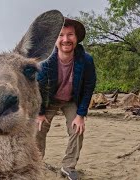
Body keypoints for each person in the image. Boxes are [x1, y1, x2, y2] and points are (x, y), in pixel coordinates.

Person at [35, 18, 96, 180]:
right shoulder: (45, 62)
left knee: (77, 128)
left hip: (71, 99)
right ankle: (36, 164)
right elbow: (38, 88)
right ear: (55, 39)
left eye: (70, 35)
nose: (66, 39)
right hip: (49, 100)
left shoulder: (86, 60)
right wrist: (40, 113)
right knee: (38, 128)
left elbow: (89, 86)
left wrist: (81, 115)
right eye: (61, 35)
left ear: (76, 38)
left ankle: (68, 166)